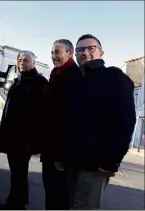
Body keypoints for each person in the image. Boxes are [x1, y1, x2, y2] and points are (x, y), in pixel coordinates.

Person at [59, 34, 136, 209]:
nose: (85, 53)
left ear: (101, 52)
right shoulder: (77, 80)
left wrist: (111, 162)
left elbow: (125, 122)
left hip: (95, 166)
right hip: (72, 161)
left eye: (90, 49)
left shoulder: (114, 77)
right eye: (80, 50)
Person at [0, 50, 48, 210]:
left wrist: (31, 141)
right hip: (13, 138)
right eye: (19, 60)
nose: (21, 63)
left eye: (25, 60)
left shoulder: (39, 82)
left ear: (33, 63)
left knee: (18, 174)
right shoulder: (19, 80)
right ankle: (19, 201)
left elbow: (41, 115)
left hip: (23, 140)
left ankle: (16, 204)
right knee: (17, 174)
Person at [41, 39, 82, 210]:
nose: (53, 56)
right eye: (52, 52)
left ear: (69, 53)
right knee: (51, 191)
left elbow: (70, 118)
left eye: (57, 52)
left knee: (60, 195)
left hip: (61, 151)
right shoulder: (57, 73)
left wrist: (61, 155)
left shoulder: (73, 75)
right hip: (51, 147)